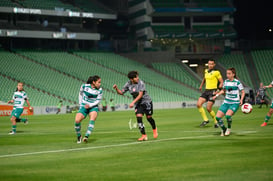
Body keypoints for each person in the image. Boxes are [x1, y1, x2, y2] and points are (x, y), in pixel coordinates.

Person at [113, 71, 158, 141]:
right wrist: (116, 89)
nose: (137, 78)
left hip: (146, 102)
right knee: (139, 117)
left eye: (137, 76)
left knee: (149, 117)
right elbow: (121, 92)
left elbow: (140, 95)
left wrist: (132, 102)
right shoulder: (128, 84)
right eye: (136, 77)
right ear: (131, 79)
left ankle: (154, 129)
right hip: (138, 104)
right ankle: (144, 135)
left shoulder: (141, 83)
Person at [212, 68, 245, 136]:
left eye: (229, 74)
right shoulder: (226, 82)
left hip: (235, 103)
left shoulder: (237, 82)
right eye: (227, 73)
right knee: (217, 117)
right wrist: (216, 95)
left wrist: (241, 100)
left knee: (228, 116)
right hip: (226, 102)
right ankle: (224, 129)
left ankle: (229, 129)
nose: (227, 75)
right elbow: (223, 90)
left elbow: (243, 92)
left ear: (233, 74)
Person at [74, 75, 103, 143]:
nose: (100, 84)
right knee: (77, 121)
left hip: (93, 107)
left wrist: (90, 105)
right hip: (84, 106)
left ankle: (86, 136)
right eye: (98, 82)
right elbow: (80, 94)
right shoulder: (84, 86)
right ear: (93, 82)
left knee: (92, 119)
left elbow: (98, 101)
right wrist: (81, 103)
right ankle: (79, 136)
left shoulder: (100, 90)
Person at [197, 59, 223, 128]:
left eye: (212, 64)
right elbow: (204, 79)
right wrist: (201, 85)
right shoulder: (206, 71)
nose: (210, 65)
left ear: (214, 65)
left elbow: (221, 82)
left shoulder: (216, 72)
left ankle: (216, 121)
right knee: (198, 104)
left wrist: (218, 90)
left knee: (208, 108)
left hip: (213, 91)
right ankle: (206, 120)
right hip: (206, 91)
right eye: (209, 64)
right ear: (207, 64)